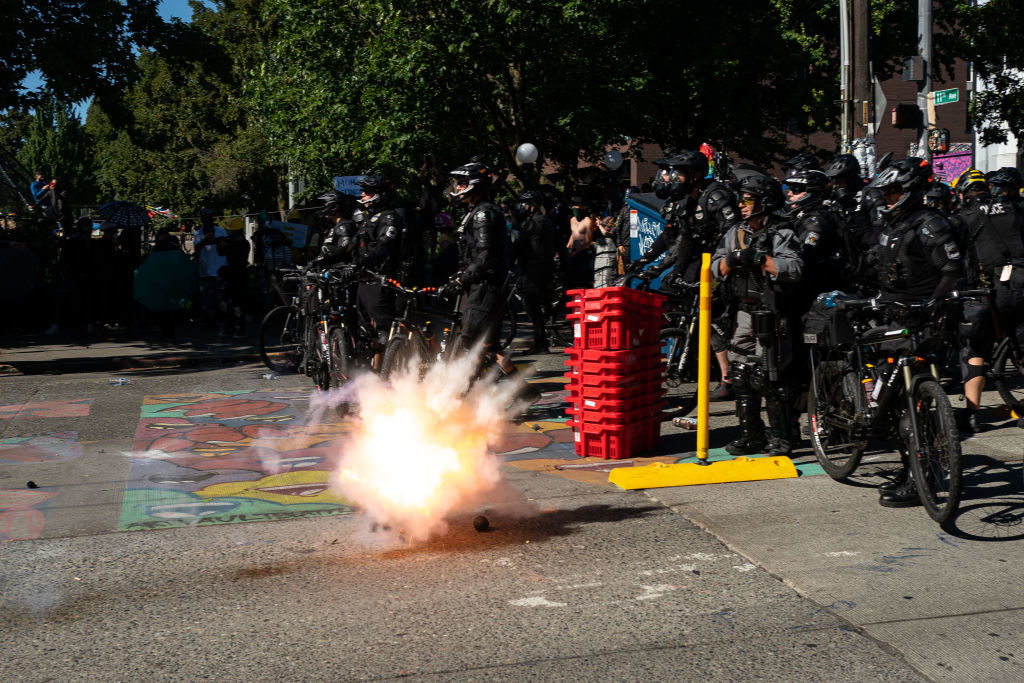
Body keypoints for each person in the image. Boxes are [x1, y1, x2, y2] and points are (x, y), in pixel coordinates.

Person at [867, 157, 964, 508]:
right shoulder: (891, 224)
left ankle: (920, 475)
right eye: (885, 192)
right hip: (892, 314)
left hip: (923, 317)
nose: (887, 198)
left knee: (913, 399)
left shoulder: (928, 224)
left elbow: (952, 269)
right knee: (890, 399)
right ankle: (910, 468)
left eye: (892, 191)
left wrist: (935, 303)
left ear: (908, 191)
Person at [635, 149, 741, 400]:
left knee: (719, 319)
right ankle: (722, 374)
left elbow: (734, 233)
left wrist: (721, 268)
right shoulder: (686, 201)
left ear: (694, 176)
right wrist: (666, 269)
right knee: (704, 318)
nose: (672, 177)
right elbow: (683, 239)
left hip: (726, 264)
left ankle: (730, 378)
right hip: (702, 263)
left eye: (678, 173)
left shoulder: (715, 196)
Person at [712, 173, 804, 457]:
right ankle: (751, 435)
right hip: (742, 310)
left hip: (772, 313)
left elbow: (795, 268)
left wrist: (761, 259)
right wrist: (731, 260)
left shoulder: (782, 232)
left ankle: (782, 436)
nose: (742, 205)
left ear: (764, 201)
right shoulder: (734, 233)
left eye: (748, 200)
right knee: (739, 374)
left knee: (769, 377)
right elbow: (714, 268)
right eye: (741, 199)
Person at [952, 167, 1024, 434]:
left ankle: (972, 415)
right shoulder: (1018, 210)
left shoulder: (968, 215)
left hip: (991, 287)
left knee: (976, 350)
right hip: (1021, 280)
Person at [441, 158, 515, 375]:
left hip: (485, 286)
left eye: (463, 182)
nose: (459, 187)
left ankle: (468, 397)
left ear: (475, 183)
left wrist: (461, 279)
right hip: (482, 284)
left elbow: (485, 255)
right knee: (487, 346)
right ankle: (523, 393)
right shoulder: (476, 211)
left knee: (470, 342)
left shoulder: (484, 213)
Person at [355, 169, 405, 354]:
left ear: (380, 194)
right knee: (367, 331)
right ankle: (375, 373)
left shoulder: (389, 217)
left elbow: (384, 245)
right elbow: (352, 246)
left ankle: (390, 371)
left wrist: (366, 261)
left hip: (381, 280)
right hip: (365, 280)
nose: (362, 195)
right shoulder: (369, 218)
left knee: (383, 329)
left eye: (367, 192)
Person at [515, 189, 559, 353]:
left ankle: (541, 342)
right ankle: (543, 337)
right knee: (541, 303)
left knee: (531, 306)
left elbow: (518, 247)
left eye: (525, 204)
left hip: (532, 270)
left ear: (533, 206)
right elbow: (559, 244)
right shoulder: (548, 222)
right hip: (547, 268)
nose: (523, 207)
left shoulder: (530, 224)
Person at [193, 208, 228, 332]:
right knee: (207, 299)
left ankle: (224, 321)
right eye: (204, 217)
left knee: (221, 297)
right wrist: (204, 240)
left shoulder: (221, 231)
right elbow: (196, 249)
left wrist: (218, 241)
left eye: (209, 217)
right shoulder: (198, 233)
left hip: (220, 270)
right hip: (205, 270)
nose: (207, 220)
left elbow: (227, 247)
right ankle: (210, 321)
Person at [565, 196, 597, 289]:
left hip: (583, 254)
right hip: (573, 252)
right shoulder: (572, 220)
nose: (575, 207)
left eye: (577, 205)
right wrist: (567, 248)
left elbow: (588, 241)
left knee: (582, 281)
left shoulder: (588, 221)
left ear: (583, 207)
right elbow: (573, 234)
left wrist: (576, 252)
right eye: (573, 206)